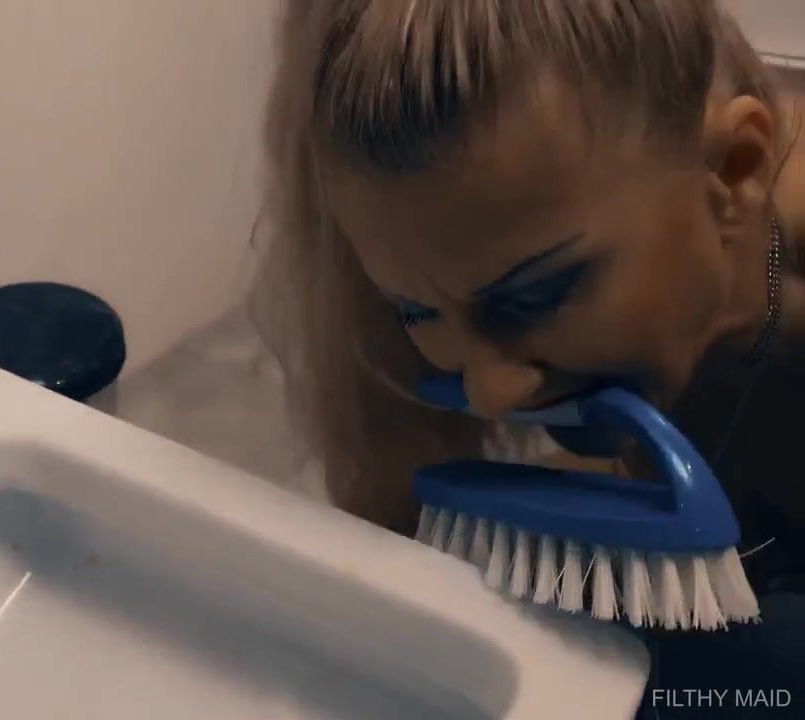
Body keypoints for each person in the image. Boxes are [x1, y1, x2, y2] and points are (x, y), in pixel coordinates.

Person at [252, 1, 804, 715]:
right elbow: (392, 544)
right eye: (416, 312)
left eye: (538, 295)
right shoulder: (432, 241)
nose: (488, 392)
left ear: (734, 169)